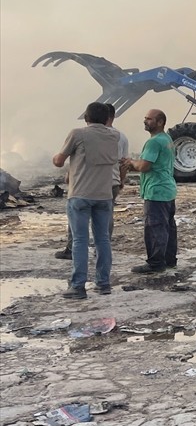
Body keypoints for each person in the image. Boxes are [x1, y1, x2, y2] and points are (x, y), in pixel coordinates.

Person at [52, 101, 120, 298]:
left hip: (80, 195)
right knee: (103, 240)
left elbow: (58, 161)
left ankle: (78, 286)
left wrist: (57, 155)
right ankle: (103, 283)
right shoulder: (114, 135)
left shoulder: (78, 134)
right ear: (107, 118)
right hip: (104, 195)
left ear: (86, 117)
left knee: (80, 241)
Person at [55, 103, 130, 259]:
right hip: (110, 184)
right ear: (111, 117)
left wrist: (70, 174)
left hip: (85, 186)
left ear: (87, 118)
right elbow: (124, 163)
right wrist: (122, 180)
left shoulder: (80, 134)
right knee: (105, 223)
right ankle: (102, 253)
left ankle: (72, 252)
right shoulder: (119, 136)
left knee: (78, 228)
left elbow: (75, 160)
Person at [125, 108, 177, 274]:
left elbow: (144, 166)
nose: (145, 121)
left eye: (149, 119)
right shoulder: (167, 138)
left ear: (160, 122)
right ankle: (169, 260)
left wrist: (131, 163)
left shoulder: (154, 142)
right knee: (168, 227)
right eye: (145, 118)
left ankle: (155, 263)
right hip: (167, 189)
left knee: (155, 228)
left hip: (156, 191)